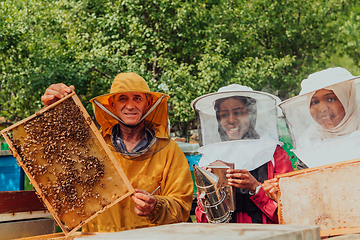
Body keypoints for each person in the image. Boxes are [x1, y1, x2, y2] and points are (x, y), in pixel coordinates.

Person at [41, 72, 193, 232]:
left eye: (137, 98)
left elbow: (181, 207)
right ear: (111, 104)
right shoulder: (91, 145)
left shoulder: (169, 150)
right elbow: (55, 160)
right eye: (122, 98)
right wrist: (54, 110)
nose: (130, 105)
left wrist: (156, 206)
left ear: (148, 103)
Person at [192, 84, 293, 224]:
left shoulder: (274, 154)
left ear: (252, 115)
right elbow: (202, 221)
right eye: (224, 114)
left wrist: (256, 189)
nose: (231, 120)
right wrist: (211, 195)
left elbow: (291, 213)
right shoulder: (209, 159)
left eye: (239, 112)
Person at [279, 67, 360, 170]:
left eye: (330, 99)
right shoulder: (308, 142)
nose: (322, 109)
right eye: (315, 102)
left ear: (348, 100)